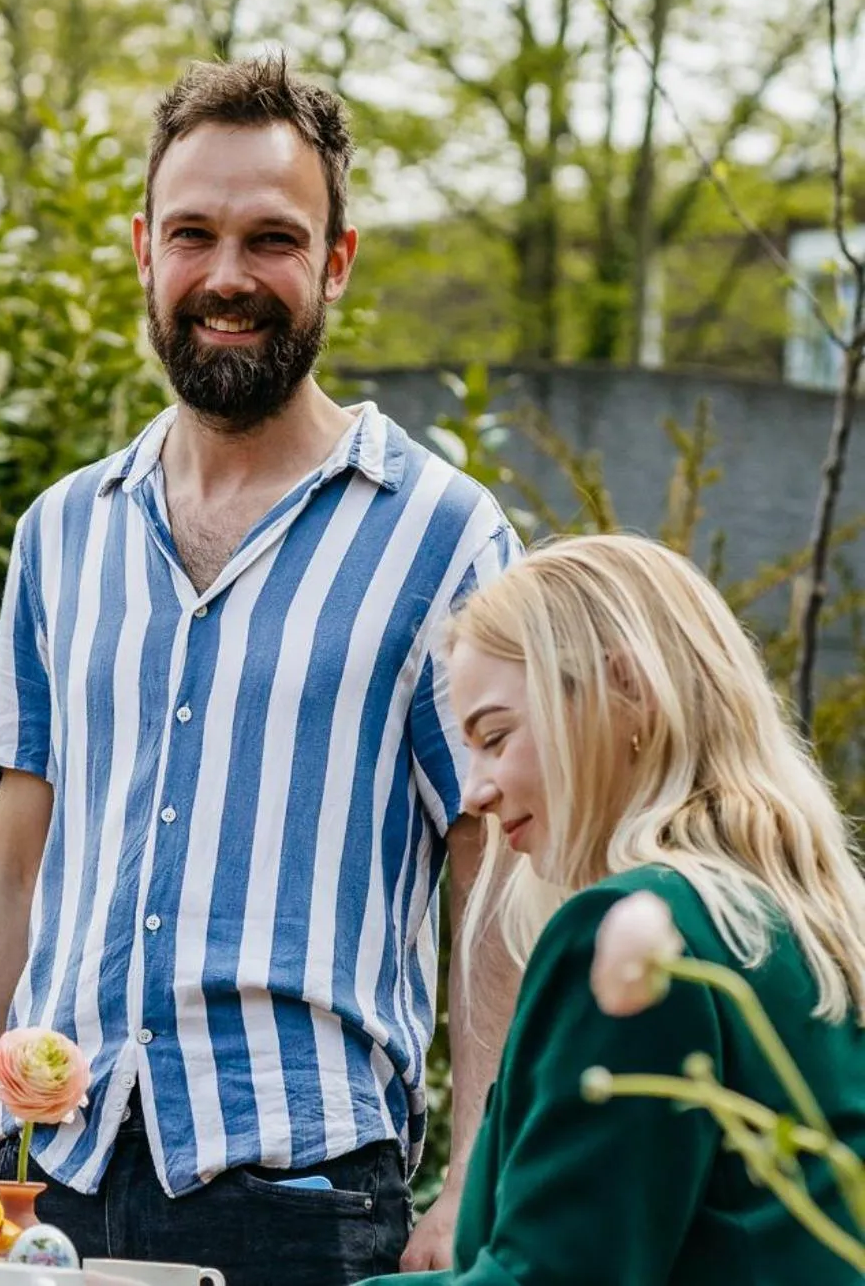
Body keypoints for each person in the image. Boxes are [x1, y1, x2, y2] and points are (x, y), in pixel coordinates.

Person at [0, 53, 523, 1286]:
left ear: (335, 261)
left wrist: (478, 1175)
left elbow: (493, 867)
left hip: (303, 1199)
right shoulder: (60, 533)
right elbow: (11, 861)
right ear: (144, 249)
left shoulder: (443, 538)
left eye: (272, 239)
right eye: (192, 234)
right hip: (46, 1189)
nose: (226, 277)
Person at [356, 534, 865, 1286]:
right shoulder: (804, 925)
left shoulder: (636, 930)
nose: (474, 794)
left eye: (495, 737)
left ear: (625, 689)